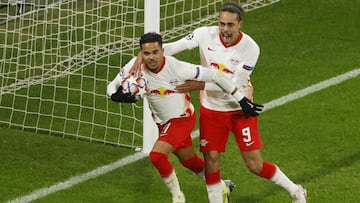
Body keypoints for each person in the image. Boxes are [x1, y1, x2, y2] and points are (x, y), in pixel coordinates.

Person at [130, 3, 307, 203]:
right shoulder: (205, 34)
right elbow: (172, 47)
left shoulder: (250, 48)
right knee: (211, 161)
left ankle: (296, 190)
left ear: (240, 24)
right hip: (211, 110)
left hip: (239, 109)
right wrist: (144, 54)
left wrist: (199, 85)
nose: (225, 29)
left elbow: (236, 83)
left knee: (254, 165)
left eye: (230, 25)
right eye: (221, 24)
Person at [107, 32, 262, 203]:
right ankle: (221, 186)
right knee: (190, 162)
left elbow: (216, 76)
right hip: (163, 123)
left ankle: (178, 197)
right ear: (141, 54)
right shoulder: (134, 67)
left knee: (157, 156)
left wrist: (240, 99)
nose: (151, 57)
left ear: (162, 51)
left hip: (182, 118)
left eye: (155, 52)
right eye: (146, 53)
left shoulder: (178, 68)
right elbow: (111, 87)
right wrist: (116, 96)